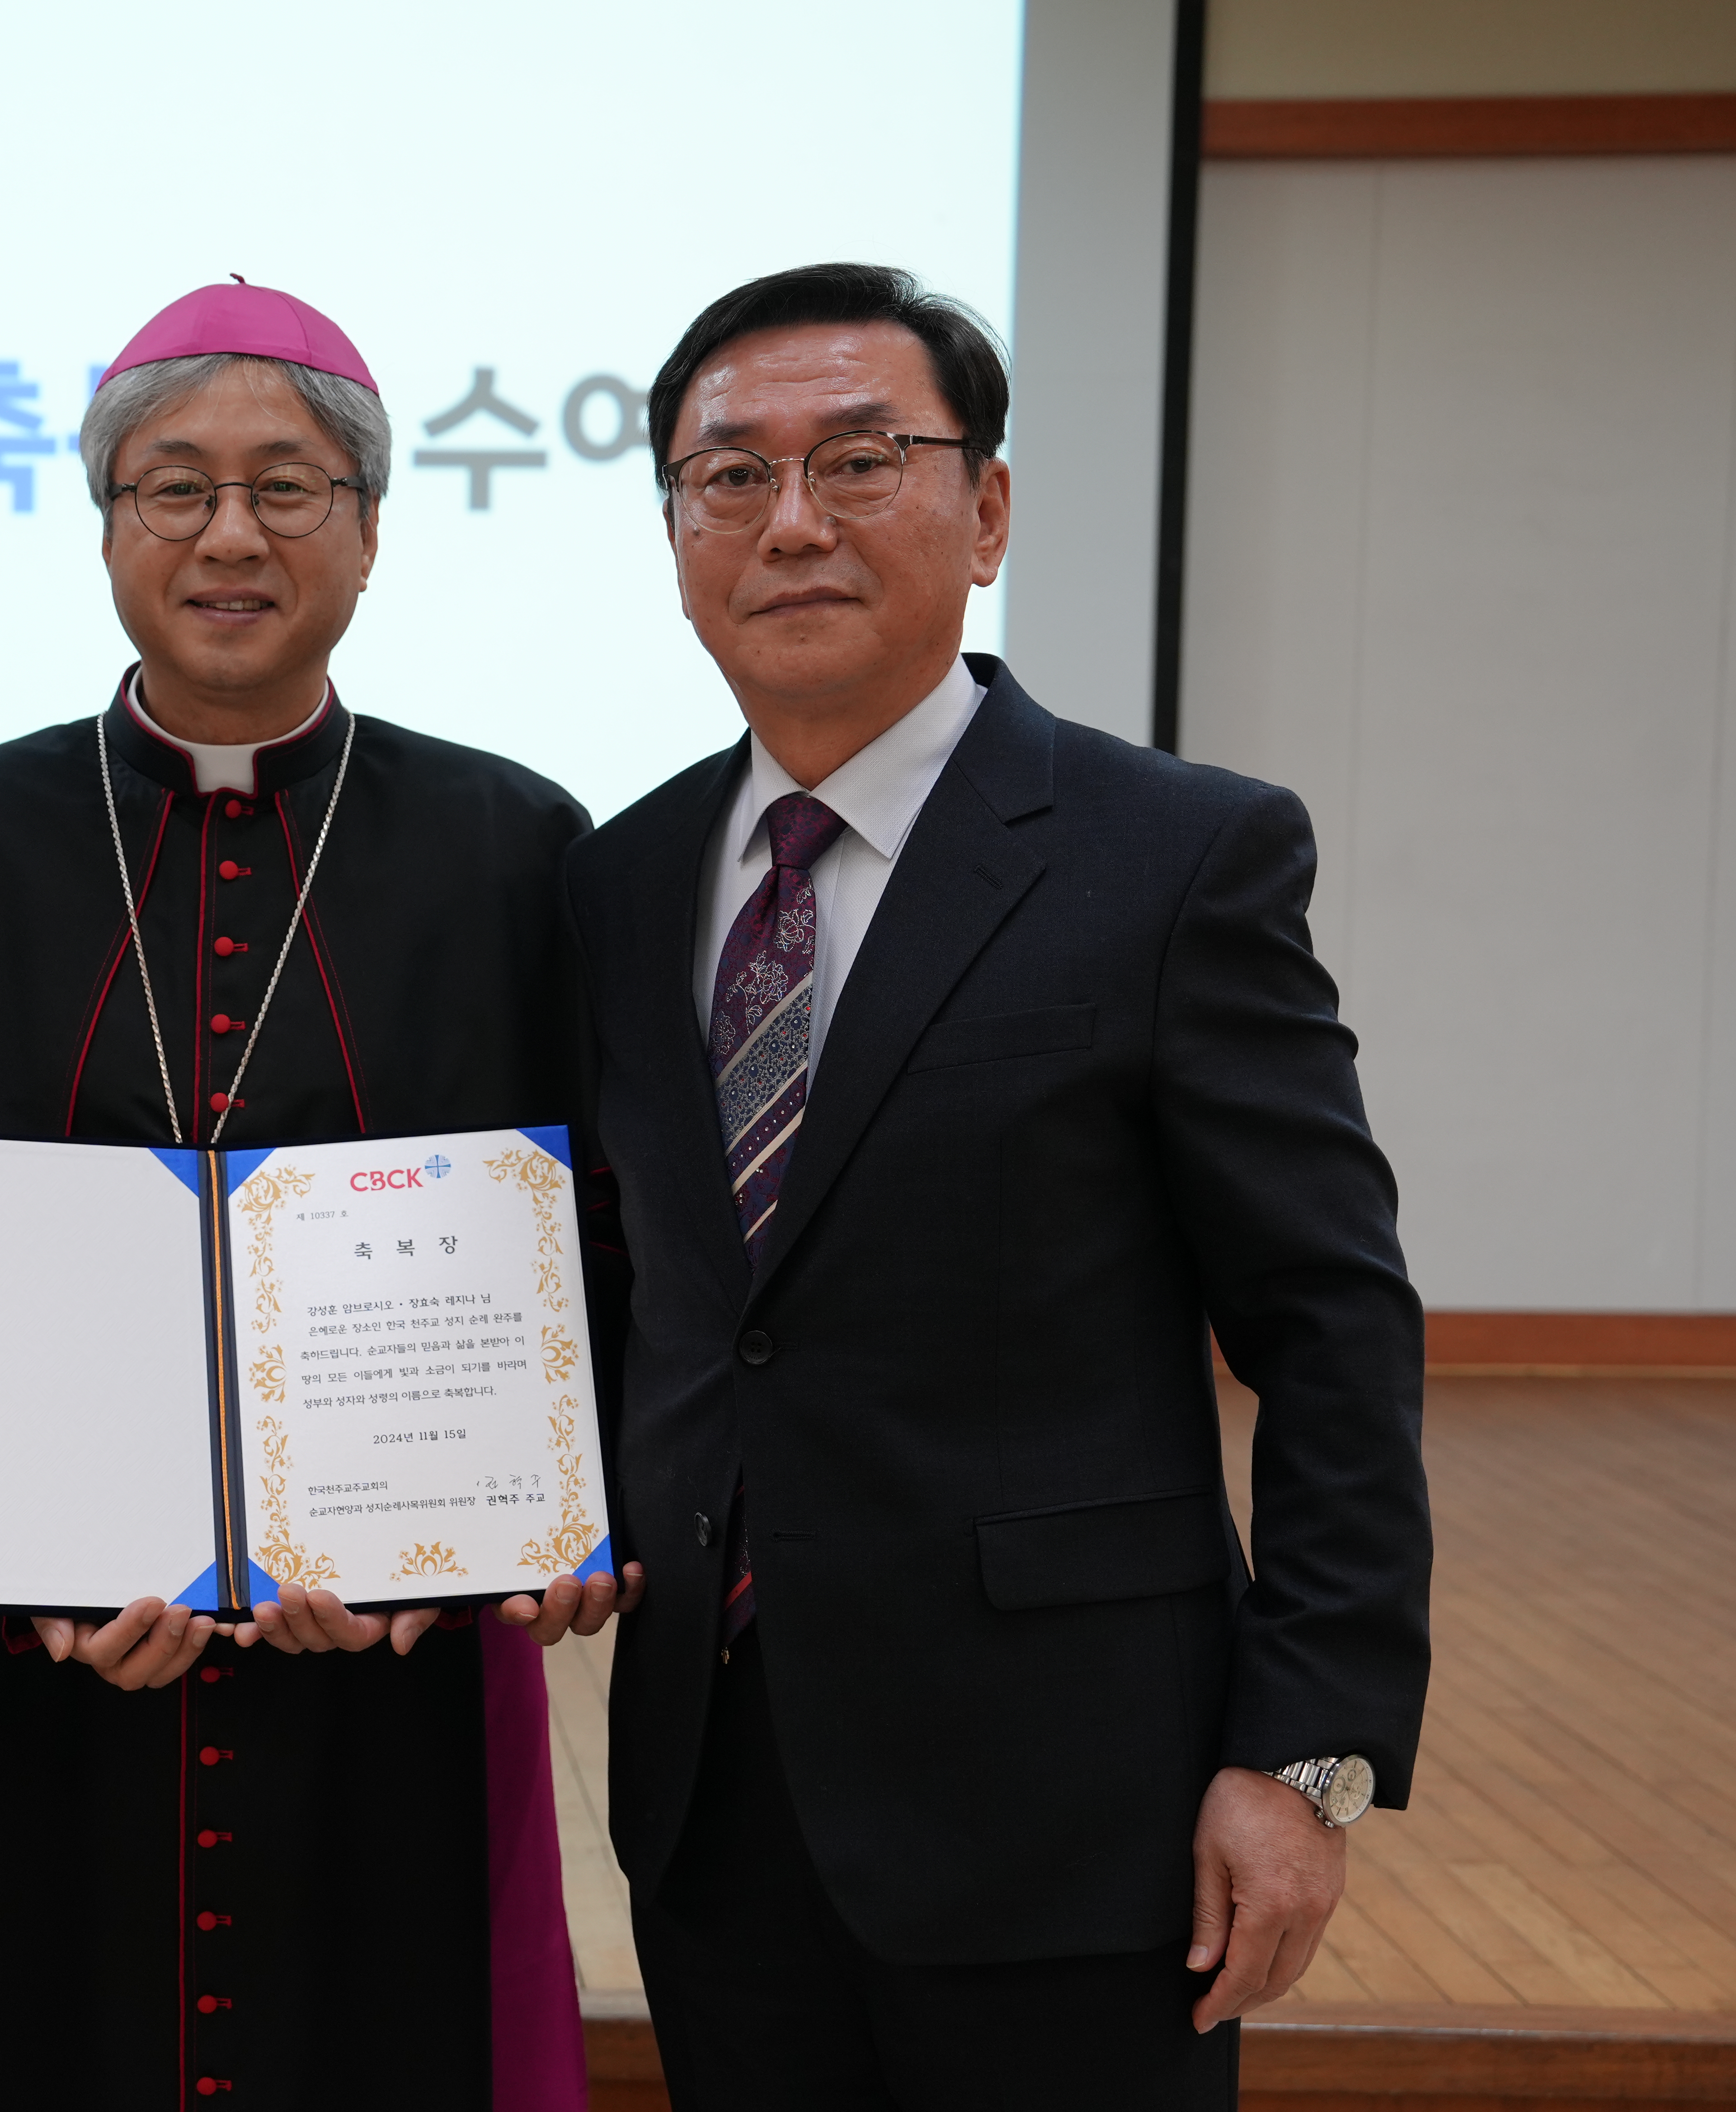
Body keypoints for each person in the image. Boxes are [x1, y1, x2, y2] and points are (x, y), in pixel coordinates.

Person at [569, 263, 1431, 2108]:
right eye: (731, 475)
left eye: (861, 461)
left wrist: (1305, 1755)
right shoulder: (620, 882)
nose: (790, 520)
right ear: (675, 529)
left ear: (991, 509)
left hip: (1074, 1807)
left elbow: (1331, 1322)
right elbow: (647, 1298)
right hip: (719, 1793)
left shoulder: (1176, 856)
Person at [0, 281, 629, 2111]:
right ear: (105, 524)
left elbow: (596, 1261)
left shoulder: (516, 846)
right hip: (36, 1666)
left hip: (390, 1673)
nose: (231, 535)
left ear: (372, 527)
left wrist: (492, 1543)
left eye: (291, 486)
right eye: (173, 488)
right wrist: (7, 1567)